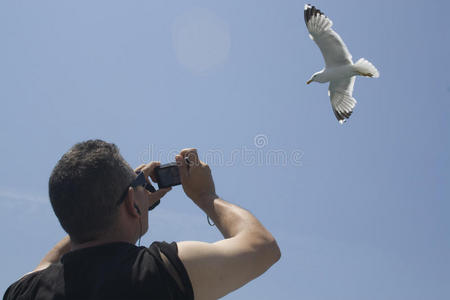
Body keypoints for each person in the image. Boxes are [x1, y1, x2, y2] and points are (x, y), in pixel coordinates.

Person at [3, 140, 281, 300]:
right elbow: (262, 246)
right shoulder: (157, 271)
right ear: (130, 203)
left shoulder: (23, 291)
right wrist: (205, 196)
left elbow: (51, 259)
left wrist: (132, 197)